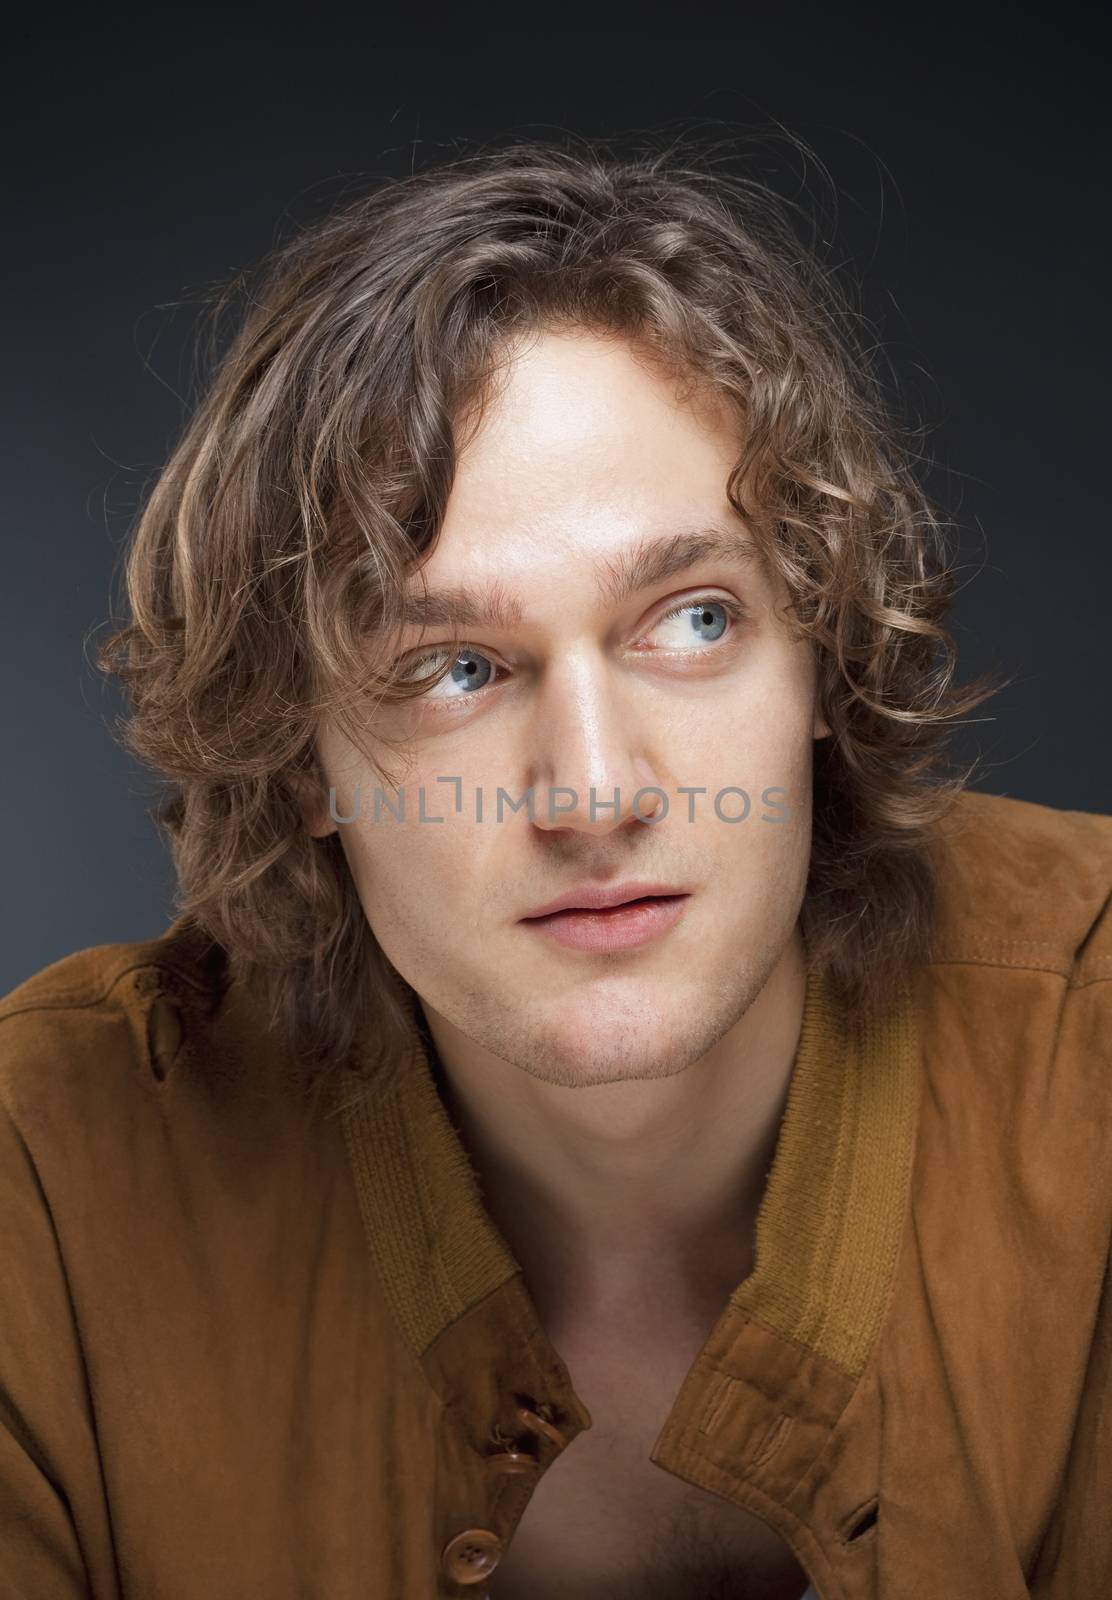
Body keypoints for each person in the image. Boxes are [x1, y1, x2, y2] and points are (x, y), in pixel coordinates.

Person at [2, 137, 1108, 1600]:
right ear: (299, 757)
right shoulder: (49, 1178)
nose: (594, 791)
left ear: (827, 658)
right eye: (455, 666)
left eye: (694, 619)